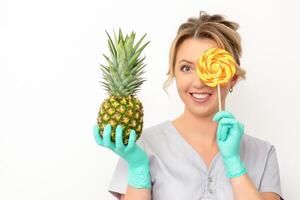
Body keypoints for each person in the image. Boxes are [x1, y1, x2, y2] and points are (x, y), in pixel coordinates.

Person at [94, 11, 284, 200]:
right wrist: (137, 169)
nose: (199, 82)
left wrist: (234, 164)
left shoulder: (263, 153)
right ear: (174, 73)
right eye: (186, 68)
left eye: (211, 68)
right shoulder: (139, 146)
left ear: (232, 77)